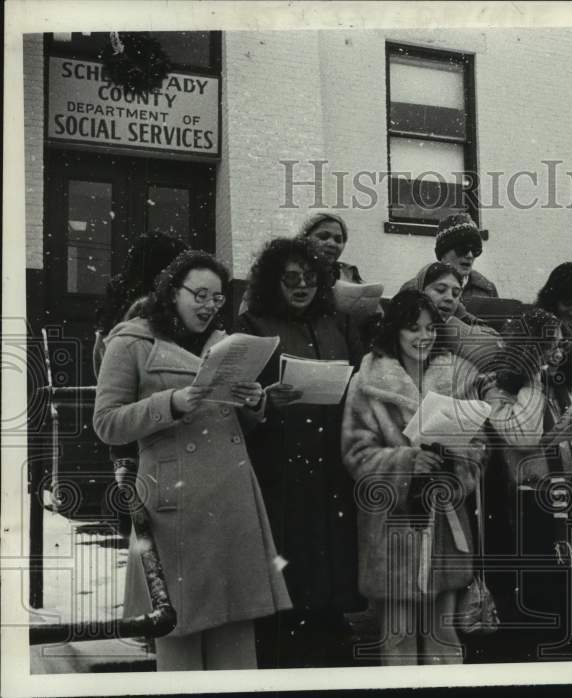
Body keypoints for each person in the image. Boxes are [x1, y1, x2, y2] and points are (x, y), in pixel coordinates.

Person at [92, 250, 291, 671]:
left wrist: (254, 403)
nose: (208, 306)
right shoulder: (130, 342)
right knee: (178, 632)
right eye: (199, 294)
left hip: (232, 500)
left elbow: (231, 422)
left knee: (237, 640)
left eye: (217, 298)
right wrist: (171, 403)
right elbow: (106, 423)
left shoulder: (227, 346)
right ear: (172, 292)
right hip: (174, 506)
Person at [236, 237, 364, 668]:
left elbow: (358, 374)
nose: (302, 284)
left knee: (334, 539)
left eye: (310, 277)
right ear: (274, 281)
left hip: (332, 454)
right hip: (280, 457)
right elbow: (236, 398)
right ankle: (290, 634)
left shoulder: (335, 323)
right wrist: (265, 402)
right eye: (291, 277)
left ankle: (331, 620)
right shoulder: (253, 324)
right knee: (293, 543)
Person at [341, 290, 485, 665]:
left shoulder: (456, 375)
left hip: (444, 522)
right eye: (412, 328)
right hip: (393, 528)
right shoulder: (367, 380)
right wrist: (405, 463)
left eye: (429, 327)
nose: (423, 336)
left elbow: (479, 448)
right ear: (394, 331)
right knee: (399, 638)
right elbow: (356, 455)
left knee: (445, 635)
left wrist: (455, 462)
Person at [484, 308, 572, 661]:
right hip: (530, 507)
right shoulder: (500, 389)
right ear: (529, 349)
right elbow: (523, 435)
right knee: (543, 598)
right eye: (548, 347)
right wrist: (533, 382)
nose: (556, 354)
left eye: (559, 346)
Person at [93, 232, 189, 536]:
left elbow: (102, 368)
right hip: (157, 432)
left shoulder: (115, 312)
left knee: (140, 531)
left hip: (127, 437)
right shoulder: (154, 313)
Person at [399, 212, 498, 323]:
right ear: (443, 253)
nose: (470, 255)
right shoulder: (412, 289)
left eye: (475, 250)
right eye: (462, 249)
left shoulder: (487, 289)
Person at [414, 261, 501, 371]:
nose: (450, 298)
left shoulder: (463, 322)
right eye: (440, 290)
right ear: (420, 291)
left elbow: (493, 351)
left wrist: (451, 328)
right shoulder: (400, 325)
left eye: (455, 294)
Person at [297, 210, 364, 283]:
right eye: (323, 237)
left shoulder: (349, 277)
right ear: (304, 239)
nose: (332, 244)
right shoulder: (288, 272)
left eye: (338, 240)